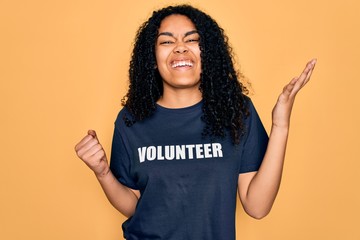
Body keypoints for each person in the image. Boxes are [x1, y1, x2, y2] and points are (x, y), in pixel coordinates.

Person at [75, 4, 316, 240]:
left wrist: (280, 126)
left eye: (192, 40)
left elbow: (257, 207)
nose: (180, 48)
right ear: (152, 56)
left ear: (208, 52)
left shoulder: (237, 112)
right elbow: (135, 204)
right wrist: (103, 172)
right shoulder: (131, 119)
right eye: (167, 41)